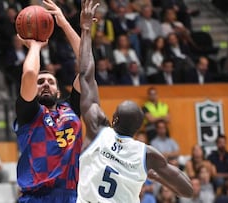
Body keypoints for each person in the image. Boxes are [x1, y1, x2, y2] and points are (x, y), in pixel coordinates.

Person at [76, 0, 193, 202]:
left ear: (113, 119)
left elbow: (86, 75)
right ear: (139, 129)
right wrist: (154, 174)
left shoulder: (97, 130)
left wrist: (86, 30)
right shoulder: (147, 154)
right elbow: (188, 190)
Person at [12, 0, 82, 201]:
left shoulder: (71, 109)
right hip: (36, 196)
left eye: (50, 81)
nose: (45, 84)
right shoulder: (29, 113)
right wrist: (35, 46)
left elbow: (87, 66)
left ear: (58, 92)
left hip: (71, 195)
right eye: (40, 81)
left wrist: (64, 23)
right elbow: (30, 74)